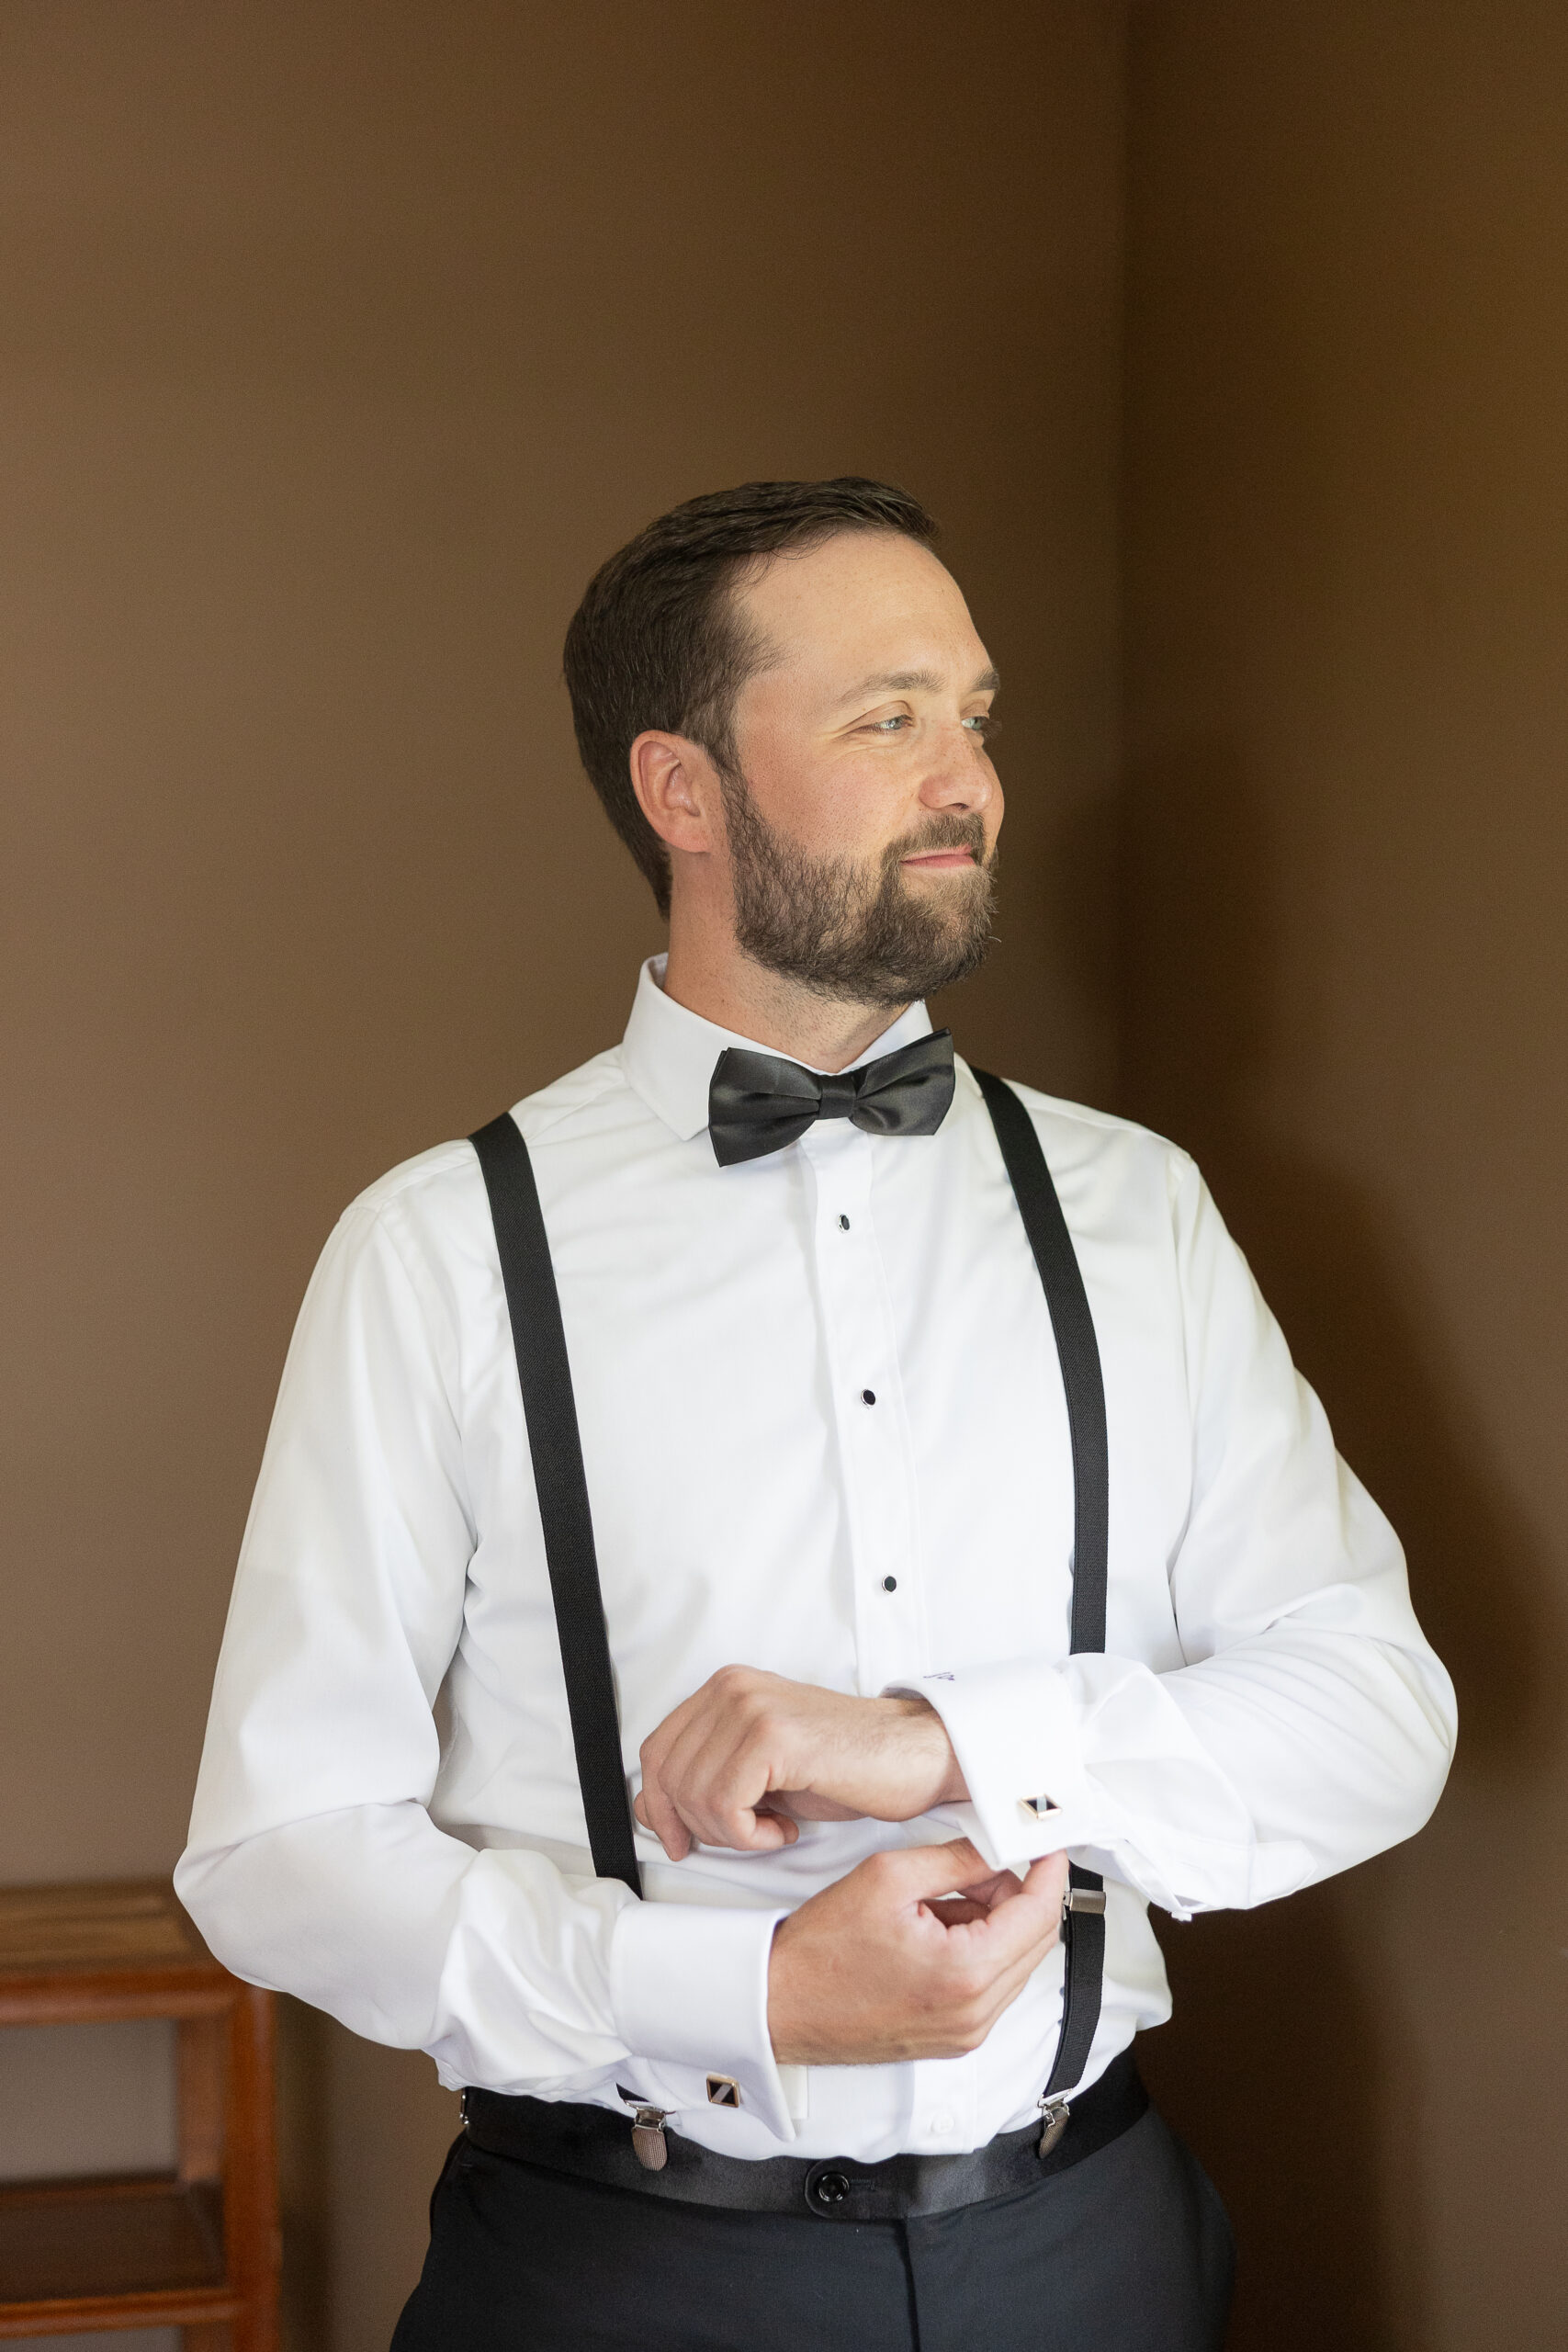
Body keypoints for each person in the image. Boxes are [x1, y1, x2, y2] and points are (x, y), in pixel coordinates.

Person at [176, 478, 1456, 2351]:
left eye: (972, 713)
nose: (966, 776)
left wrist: (939, 1742)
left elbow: (1374, 1713)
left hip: (1087, 2249)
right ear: (681, 790)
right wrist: (738, 1987)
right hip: (621, 2272)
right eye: (886, 716)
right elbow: (276, 1850)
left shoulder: (1135, 1206)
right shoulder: (439, 1248)